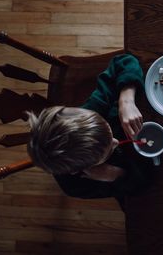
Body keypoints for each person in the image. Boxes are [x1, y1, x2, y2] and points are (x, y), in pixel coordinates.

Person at [26, 54, 153, 210]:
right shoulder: (76, 186)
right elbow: (140, 188)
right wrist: (116, 175)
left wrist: (125, 100)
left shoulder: (93, 112)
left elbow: (124, 61)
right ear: (78, 170)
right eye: (105, 153)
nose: (115, 142)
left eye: (108, 130)